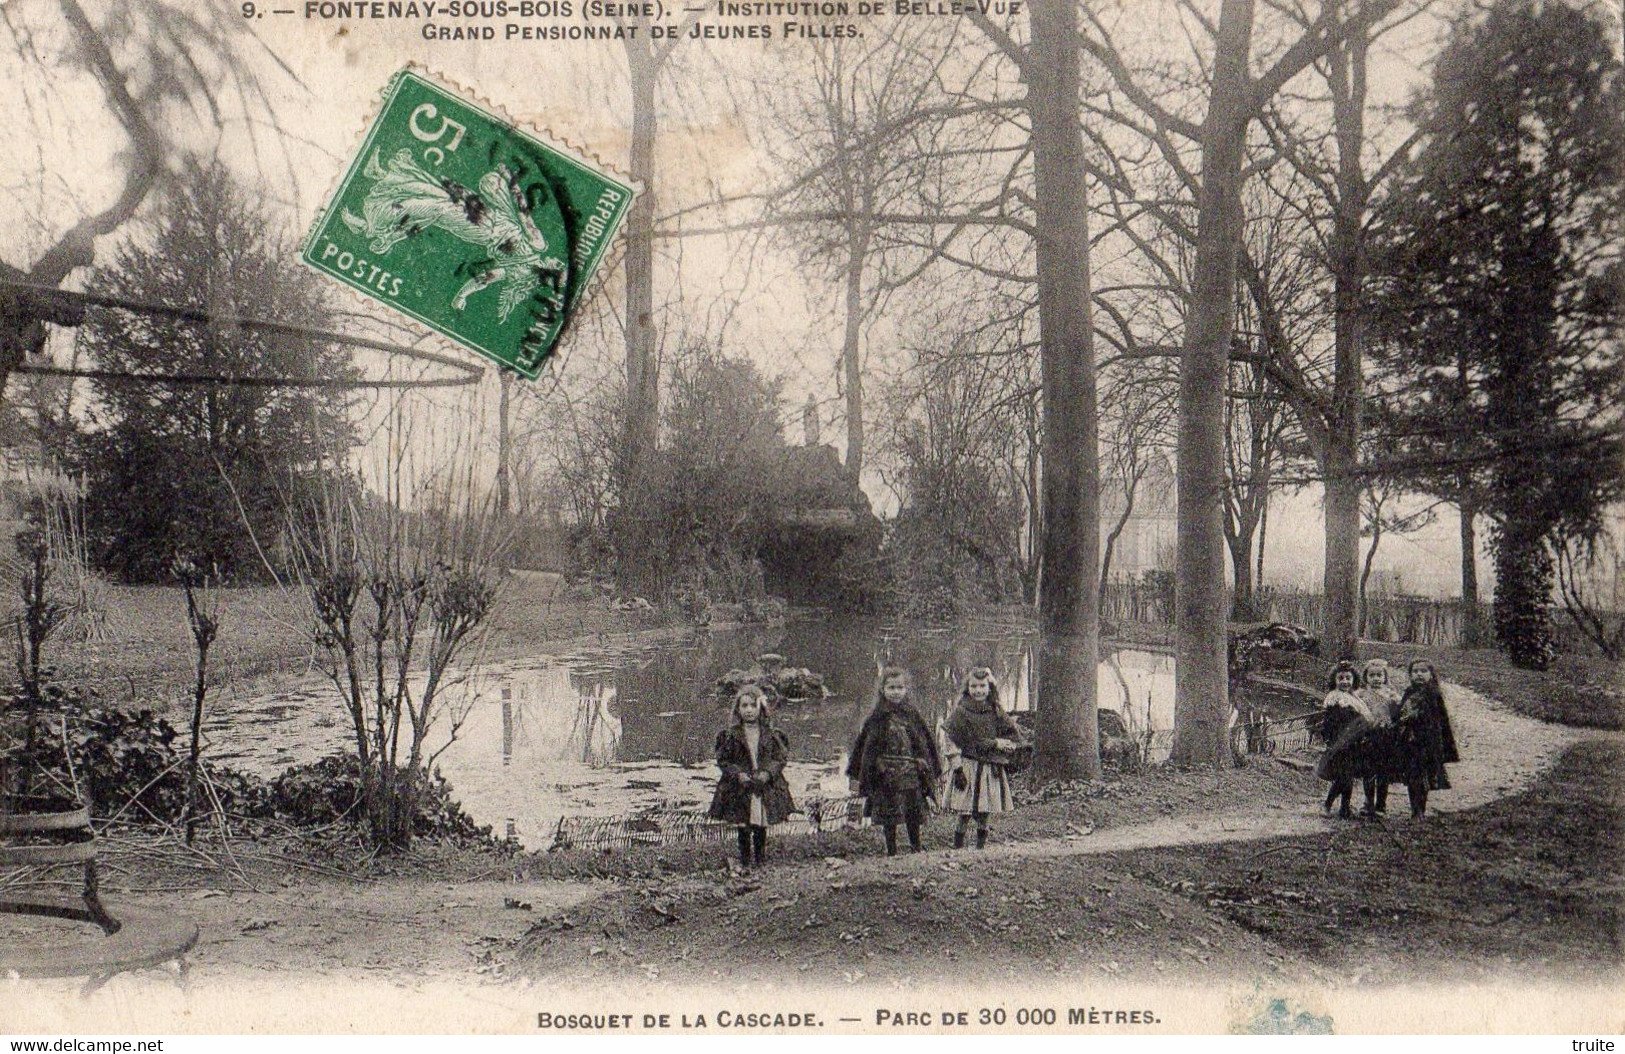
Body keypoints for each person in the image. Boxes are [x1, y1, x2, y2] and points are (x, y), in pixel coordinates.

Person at [847, 666, 942, 855]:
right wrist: (868, 770)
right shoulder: (877, 717)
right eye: (891, 688)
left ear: (906, 689)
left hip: (911, 772)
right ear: (882, 690)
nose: (896, 692)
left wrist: (928, 764)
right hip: (886, 775)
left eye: (900, 688)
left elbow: (925, 741)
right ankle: (891, 850)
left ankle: (916, 846)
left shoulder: (912, 714)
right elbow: (865, 747)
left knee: (913, 811)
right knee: (889, 816)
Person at [708, 684, 795, 867]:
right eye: (744, 706)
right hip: (741, 786)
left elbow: (779, 758)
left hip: (762, 784)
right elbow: (724, 761)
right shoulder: (730, 736)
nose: (748, 710)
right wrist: (738, 774)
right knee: (744, 823)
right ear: (738, 710)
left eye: (752, 706)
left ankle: (760, 858)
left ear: (760, 708)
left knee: (760, 822)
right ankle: (746, 859)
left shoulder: (771, 735)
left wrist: (768, 773)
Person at [942, 666, 1022, 849]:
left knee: (984, 811)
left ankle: (981, 847)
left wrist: (1003, 744)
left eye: (982, 686)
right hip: (968, 766)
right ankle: (958, 846)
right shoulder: (961, 711)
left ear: (989, 687)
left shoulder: (995, 710)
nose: (978, 691)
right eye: (974, 686)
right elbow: (951, 739)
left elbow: (1013, 735)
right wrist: (957, 768)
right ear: (967, 688)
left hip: (988, 768)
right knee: (964, 810)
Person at [1394, 658, 1461, 817]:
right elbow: (1401, 713)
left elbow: (1438, 721)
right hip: (1410, 742)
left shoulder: (1433, 693)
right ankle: (1414, 809)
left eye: (1423, 671)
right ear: (1410, 675)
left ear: (1431, 674)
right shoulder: (1409, 692)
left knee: (1424, 776)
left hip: (1427, 742)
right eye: (1415, 671)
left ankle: (1420, 810)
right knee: (1412, 776)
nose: (1419, 674)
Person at [1316, 660, 1372, 819]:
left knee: (1348, 777)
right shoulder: (1335, 699)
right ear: (1334, 680)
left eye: (1348, 678)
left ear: (1354, 679)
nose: (1345, 681)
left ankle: (1344, 808)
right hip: (1341, 744)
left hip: (1354, 745)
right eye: (1341, 678)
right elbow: (1328, 724)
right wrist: (1330, 740)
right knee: (1344, 777)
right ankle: (1328, 804)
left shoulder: (1354, 699)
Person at [1357, 658, 1402, 815]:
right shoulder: (1361, 694)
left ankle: (1381, 805)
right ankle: (1368, 803)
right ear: (1366, 677)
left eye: (1379, 675)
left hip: (1385, 736)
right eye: (1372, 675)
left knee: (1383, 771)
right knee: (1368, 770)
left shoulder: (1390, 694)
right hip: (1368, 737)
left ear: (1384, 677)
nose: (1376, 678)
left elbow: (1400, 710)